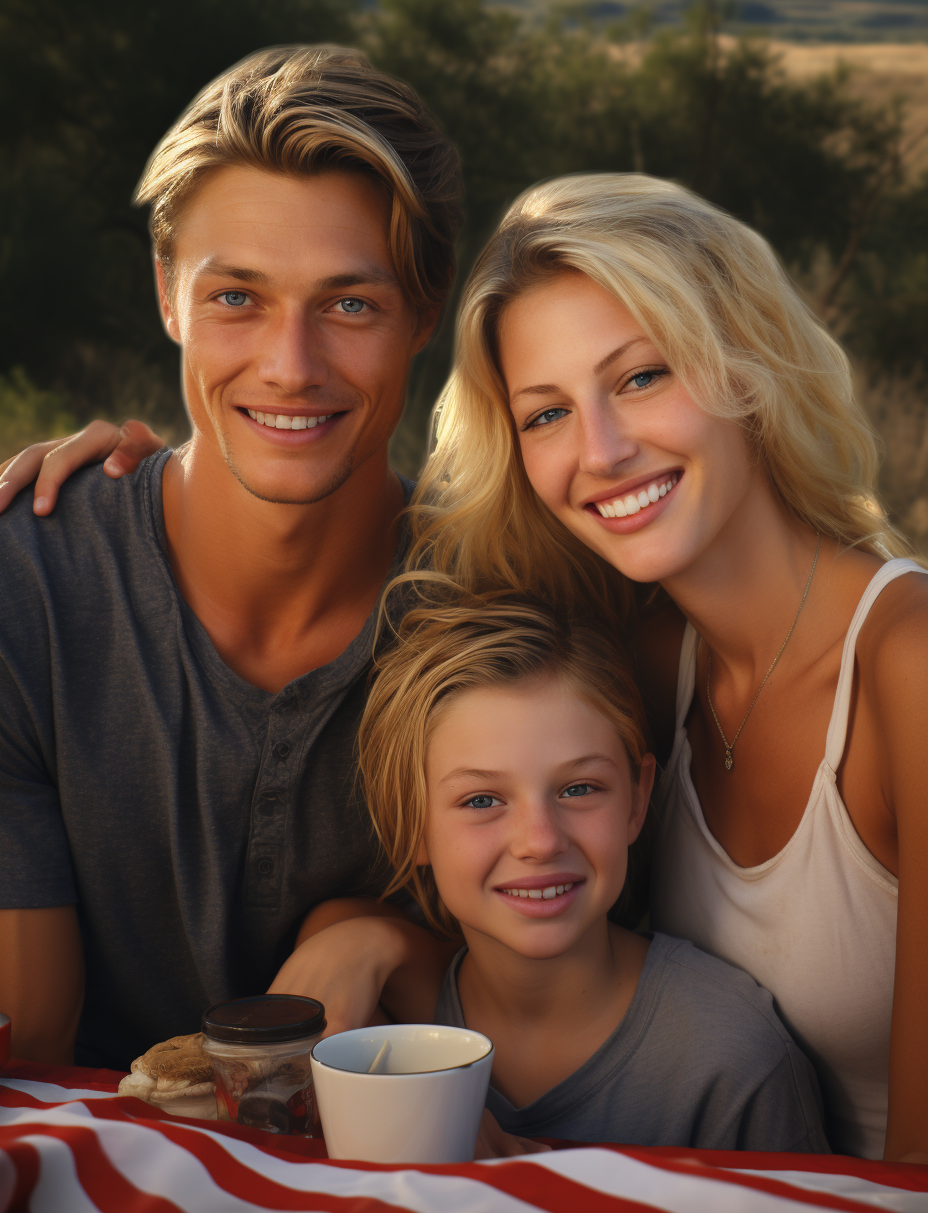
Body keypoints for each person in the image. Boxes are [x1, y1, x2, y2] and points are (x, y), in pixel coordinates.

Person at [8, 175, 926, 1160]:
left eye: (643, 375)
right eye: (544, 414)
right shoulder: (647, 652)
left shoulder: (905, 662)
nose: (603, 450)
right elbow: (545, 875)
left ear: (747, 360)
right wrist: (143, 482)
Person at [0, 44, 462, 1072]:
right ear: (168, 293)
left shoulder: (494, 608)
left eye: (349, 304)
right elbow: (28, 1046)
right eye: (235, 298)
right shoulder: (25, 587)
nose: (290, 367)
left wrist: (385, 932)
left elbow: (560, 995)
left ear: (423, 313)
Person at [350, 591, 828, 1151]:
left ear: (636, 799)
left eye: (580, 789)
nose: (540, 841)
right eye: (481, 800)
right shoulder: (383, 1044)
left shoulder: (732, 1062)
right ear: (409, 825)